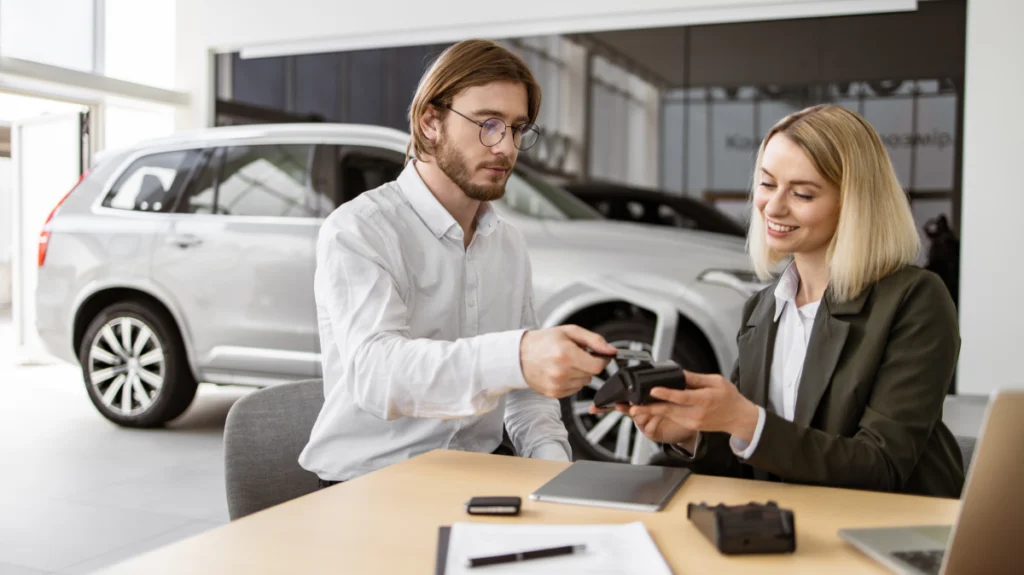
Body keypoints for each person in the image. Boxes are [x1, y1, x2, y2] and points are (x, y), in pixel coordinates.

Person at [299, 39, 617, 486]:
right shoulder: (359, 230)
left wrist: (556, 475)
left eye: (516, 127)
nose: (506, 147)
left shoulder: (507, 243)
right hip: (371, 485)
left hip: (479, 480)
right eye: (488, 124)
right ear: (431, 121)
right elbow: (377, 375)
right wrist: (517, 354)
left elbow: (527, 395)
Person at [607, 104, 964, 498]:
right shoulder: (763, 309)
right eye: (767, 183)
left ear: (854, 203)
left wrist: (745, 420)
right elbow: (758, 460)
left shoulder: (915, 300)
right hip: (790, 528)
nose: (773, 207)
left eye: (802, 193)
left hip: (885, 537)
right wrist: (691, 435)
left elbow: (881, 466)